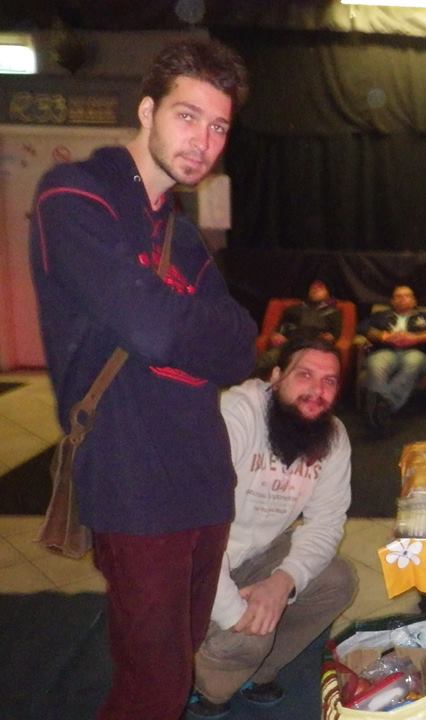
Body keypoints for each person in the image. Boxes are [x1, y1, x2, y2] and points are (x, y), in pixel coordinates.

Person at [28, 40, 256, 720]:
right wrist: (181, 325)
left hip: (204, 478)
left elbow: (240, 348)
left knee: (177, 660)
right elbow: (156, 330)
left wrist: (173, 322)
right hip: (132, 483)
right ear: (148, 110)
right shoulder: (74, 197)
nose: (203, 141)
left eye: (218, 126)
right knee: (153, 685)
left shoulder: (180, 237)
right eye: (188, 116)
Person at [188, 334, 357, 718]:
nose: (316, 391)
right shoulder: (235, 415)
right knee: (249, 638)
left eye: (329, 381)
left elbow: (327, 522)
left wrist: (282, 583)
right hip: (193, 564)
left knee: (338, 580)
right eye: (305, 375)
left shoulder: (332, 436)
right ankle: (204, 685)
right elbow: (194, 531)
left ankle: (257, 671)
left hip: (254, 556)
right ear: (277, 376)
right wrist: (237, 614)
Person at [358, 285, 426, 429]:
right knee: (376, 364)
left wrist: (416, 338)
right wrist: (383, 336)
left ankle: (382, 407)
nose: (402, 299)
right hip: (386, 351)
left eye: (407, 296)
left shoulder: (425, 316)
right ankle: (381, 413)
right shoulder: (381, 315)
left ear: (414, 301)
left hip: (414, 352)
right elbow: (362, 327)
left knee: (413, 362)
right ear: (392, 301)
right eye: (398, 296)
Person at [255, 278, 342, 377]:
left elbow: (335, 333)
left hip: (313, 346)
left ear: (328, 294)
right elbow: (282, 327)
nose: (315, 289)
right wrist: (277, 335)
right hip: (289, 344)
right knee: (266, 361)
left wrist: (329, 337)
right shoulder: (294, 309)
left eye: (320, 288)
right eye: (313, 287)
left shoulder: (333, 313)